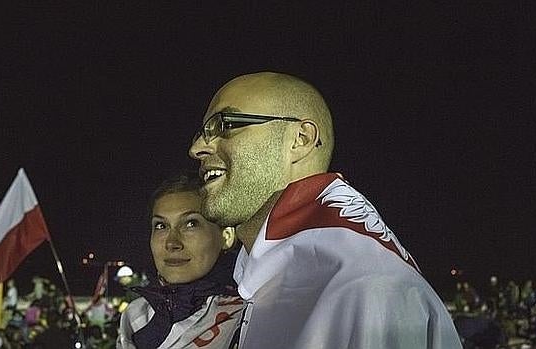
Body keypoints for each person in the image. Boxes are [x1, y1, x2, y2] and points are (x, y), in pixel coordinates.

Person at [188, 71, 462, 348]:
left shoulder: (365, 287)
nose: (197, 148)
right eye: (202, 132)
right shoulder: (282, 272)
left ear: (301, 139)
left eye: (225, 125)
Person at [117, 174, 244, 349]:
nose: (172, 243)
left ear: (226, 236)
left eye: (191, 223)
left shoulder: (250, 314)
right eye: (161, 226)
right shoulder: (135, 316)